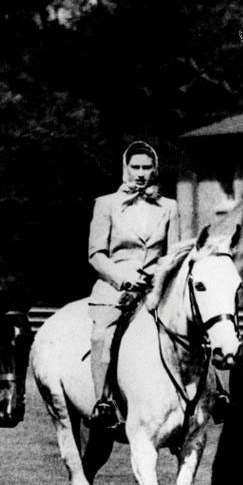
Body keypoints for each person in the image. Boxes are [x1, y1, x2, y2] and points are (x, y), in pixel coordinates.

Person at [88, 141, 179, 429]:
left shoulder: (169, 206)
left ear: (155, 170)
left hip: (156, 287)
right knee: (101, 335)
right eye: (135, 167)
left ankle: (215, 395)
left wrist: (159, 278)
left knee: (193, 326)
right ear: (126, 168)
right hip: (116, 287)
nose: (140, 173)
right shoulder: (106, 204)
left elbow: (174, 254)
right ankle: (102, 401)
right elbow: (96, 255)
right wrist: (122, 278)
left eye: (146, 167)